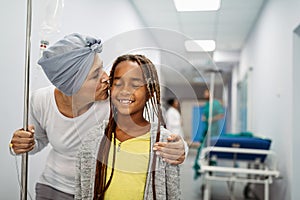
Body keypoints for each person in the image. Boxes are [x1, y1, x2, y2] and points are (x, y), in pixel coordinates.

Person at [9, 33, 186, 199]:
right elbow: (38, 142)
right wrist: (23, 144)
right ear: (71, 86)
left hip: (95, 189)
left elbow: (156, 132)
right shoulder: (41, 101)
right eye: (95, 75)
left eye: (102, 68)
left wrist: (180, 147)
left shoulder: (115, 102)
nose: (106, 78)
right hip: (53, 187)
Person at [75, 54, 181, 200]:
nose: (125, 90)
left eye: (135, 85)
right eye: (118, 83)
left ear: (149, 91)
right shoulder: (93, 140)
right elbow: (81, 192)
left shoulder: (163, 144)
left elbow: (173, 195)